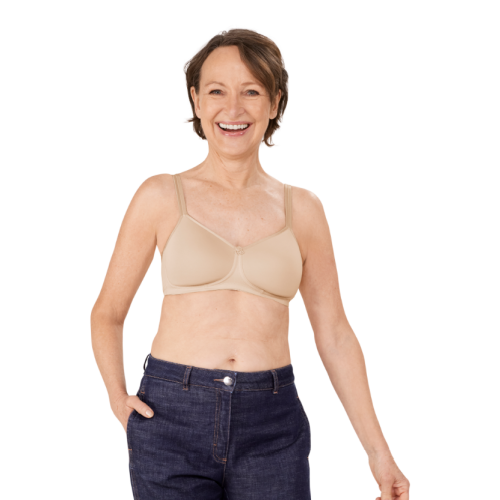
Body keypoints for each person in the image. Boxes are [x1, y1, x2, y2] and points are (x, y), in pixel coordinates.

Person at [90, 28, 410, 500]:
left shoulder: (304, 210)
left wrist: (378, 453)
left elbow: (335, 334)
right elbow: (107, 312)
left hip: (272, 424)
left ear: (275, 102)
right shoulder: (160, 196)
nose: (233, 109)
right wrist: (118, 399)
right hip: (172, 416)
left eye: (252, 92)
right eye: (217, 91)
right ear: (196, 100)